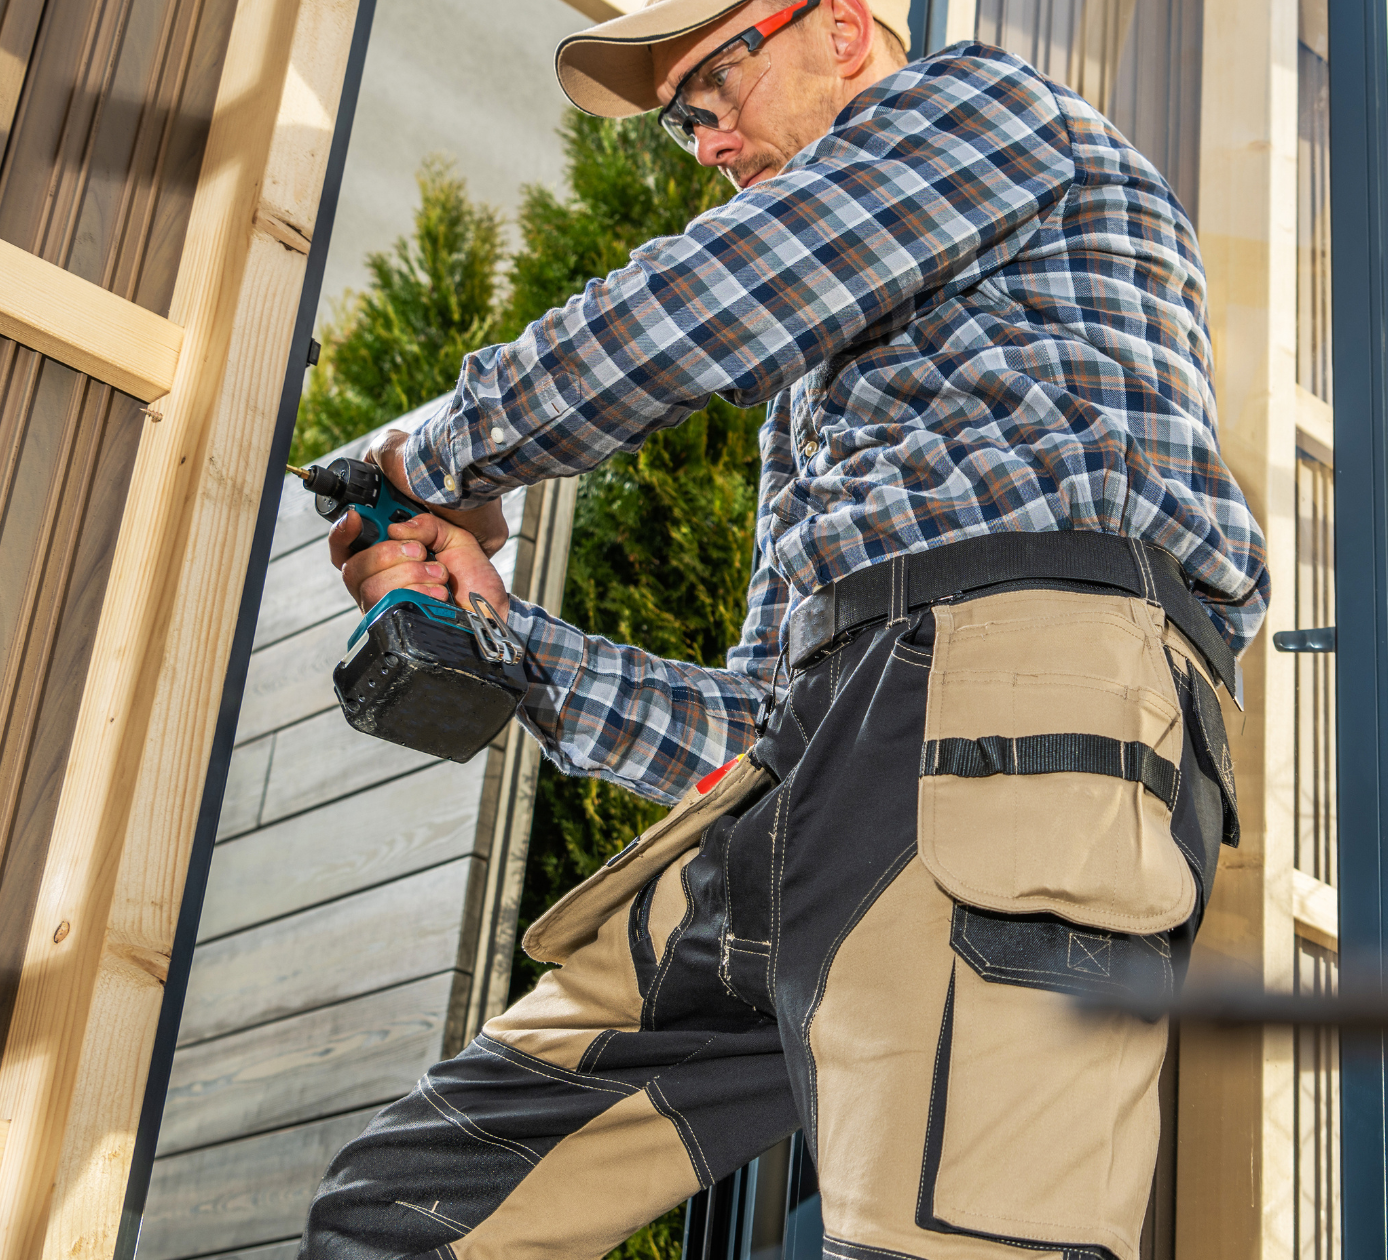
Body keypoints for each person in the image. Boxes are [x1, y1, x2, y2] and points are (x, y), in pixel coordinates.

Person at [298, 0, 1267, 1256]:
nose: (700, 143)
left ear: (844, 31)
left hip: (1021, 714)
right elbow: (753, 721)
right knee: (402, 1212)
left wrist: (418, 457)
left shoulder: (982, 111)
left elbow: (702, 303)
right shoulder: (823, 396)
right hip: (820, 770)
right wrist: (502, 638)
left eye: (709, 95)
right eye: (678, 127)